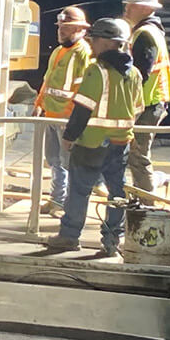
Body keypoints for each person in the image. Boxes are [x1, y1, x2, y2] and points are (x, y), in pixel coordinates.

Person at [45, 17, 143, 256]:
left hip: (91, 143)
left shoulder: (96, 71)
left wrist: (69, 137)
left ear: (108, 43)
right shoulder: (135, 74)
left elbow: (82, 109)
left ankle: (69, 236)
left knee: (79, 191)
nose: (92, 45)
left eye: (95, 40)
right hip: (121, 144)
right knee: (117, 193)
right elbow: (138, 108)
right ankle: (111, 242)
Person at [32, 6, 93, 212]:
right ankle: (57, 200)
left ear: (79, 29)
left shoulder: (83, 53)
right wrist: (39, 104)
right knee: (54, 161)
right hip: (52, 115)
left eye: (66, 28)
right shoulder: (59, 52)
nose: (61, 31)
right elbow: (47, 81)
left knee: (68, 163)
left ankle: (70, 204)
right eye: (60, 27)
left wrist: (74, 119)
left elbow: (83, 89)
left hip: (66, 118)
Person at [123, 0, 170, 193]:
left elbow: (139, 74)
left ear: (145, 8)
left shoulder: (145, 34)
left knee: (138, 156)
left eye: (131, 5)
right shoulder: (151, 31)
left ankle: (146, 204)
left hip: (148, 103)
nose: (126, 8)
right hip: (151, 101)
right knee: (137, 155)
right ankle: (143, 198)